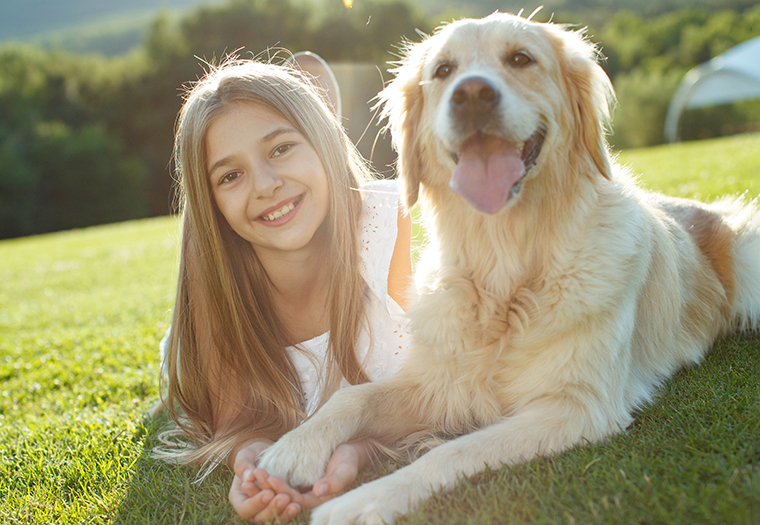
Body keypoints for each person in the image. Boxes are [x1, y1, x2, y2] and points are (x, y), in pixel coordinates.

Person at [153, 55, 413, 524]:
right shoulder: (212, 266)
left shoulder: (388, 225)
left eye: (280, 149)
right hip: (202, 335)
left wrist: (356, 450)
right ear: (212, 203)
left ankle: (313, 110)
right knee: (178, 354)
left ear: (325, 141)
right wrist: (249, 460)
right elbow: (236, 420)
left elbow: (432, 394)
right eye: (230, 176)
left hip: (346, 206)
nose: (266, 186)